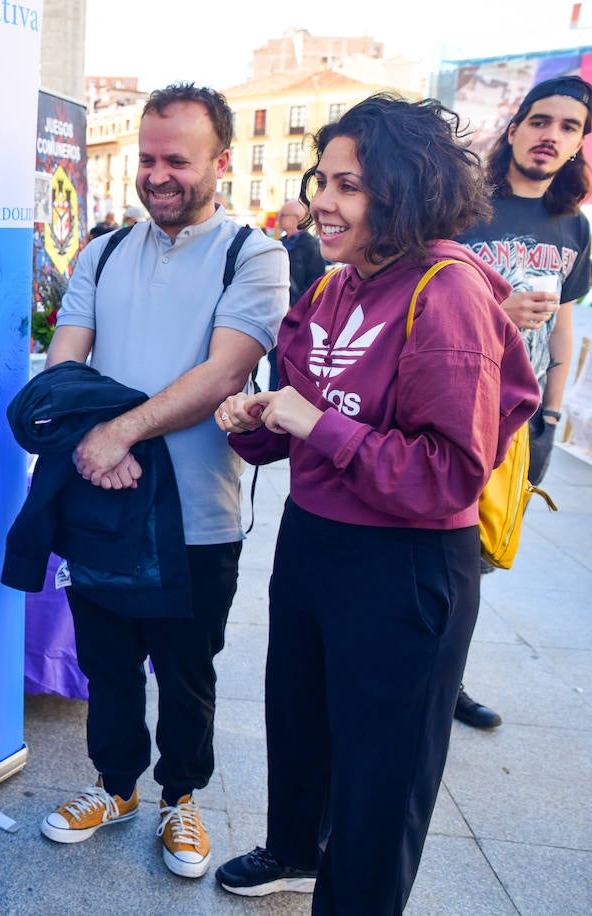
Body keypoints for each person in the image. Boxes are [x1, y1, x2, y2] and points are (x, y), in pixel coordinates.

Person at [213, 95, 539, 912]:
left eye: (349, 185)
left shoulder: (447, 290)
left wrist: (317, 425)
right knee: (300, 725)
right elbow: (300, 424)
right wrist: (253, 420)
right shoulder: (332, 288)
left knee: (381, 778)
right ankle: (294, 851)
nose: (321, 200)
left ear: (404, 189)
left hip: (406, 567)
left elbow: (446, 475)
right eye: (322, 179)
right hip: (316, 543)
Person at [38, 83, 288, 880]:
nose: (156, 174)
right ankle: (115, 787)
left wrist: (119, 431)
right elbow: (63, 364)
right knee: (105, 662)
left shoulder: (255, 254)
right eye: (147, 158)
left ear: (219, 161)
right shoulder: (102, 252)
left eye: (175, 159)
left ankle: (182, 797)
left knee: (186, 670)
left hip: (198, 516)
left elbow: (222, 373)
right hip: (101, 500)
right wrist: (96, 443)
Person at [452, 74, 592, 729]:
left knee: (480, 555)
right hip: (455, 401)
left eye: (568, 127)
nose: (550, 136)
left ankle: (446, 678)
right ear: (514, 129)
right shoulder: (464, 205)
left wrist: (554, 414)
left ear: (579, 144)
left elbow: (563, 320)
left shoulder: (572, 226)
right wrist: (495, 311)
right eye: (540, 121)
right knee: (440, 549)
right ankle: (421, 668)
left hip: (522, 417)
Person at [267, 199, 327, 390]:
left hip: (297, 318)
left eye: (282, 215)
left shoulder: (311, 245)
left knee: (291, 364)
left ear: (296, 219)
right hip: (277, 315)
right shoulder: (279, 243)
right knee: (274, 361)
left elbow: (315, 283)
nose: (278, 219)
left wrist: (295, 306)